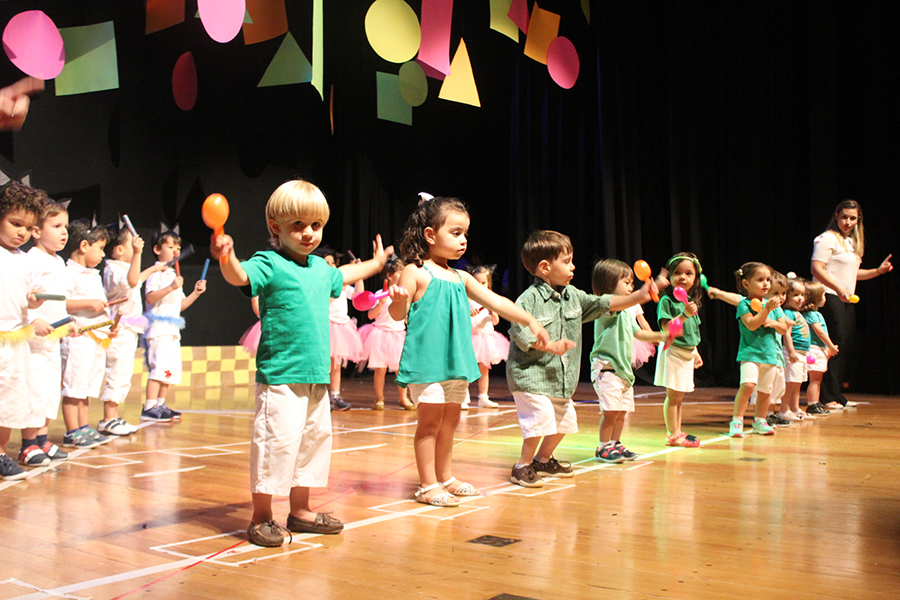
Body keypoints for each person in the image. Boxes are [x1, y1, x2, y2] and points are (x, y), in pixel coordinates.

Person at [211, 179, 393, 547]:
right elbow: (239, 276)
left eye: (316, 225)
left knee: (313, 443)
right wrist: (226, 257)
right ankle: (261, 516)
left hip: (316, 376)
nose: (309, 233)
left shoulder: (320, 268)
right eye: (298, 224)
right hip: (281, 376)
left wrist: (376, 264)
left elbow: (344, 275)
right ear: (275, 227)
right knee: (275, 444)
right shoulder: (269, 262)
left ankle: (300, 511)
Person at [389, 198, 555, 505]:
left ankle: (445, 477)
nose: (463, 240)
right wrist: (398, 300)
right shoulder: (415, 272)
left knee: (450, 422)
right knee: (429, 424)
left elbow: (497, 302)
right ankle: (427, 485)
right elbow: (398, 314)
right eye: (455, 233)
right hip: (427, 363)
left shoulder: (462, 277)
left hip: (456, 361)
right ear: (430, 235)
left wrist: (530, 320)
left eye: (465, 233)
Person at [505, 230, 655, 488]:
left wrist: (640, 296)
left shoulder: (573, 295)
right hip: (530, 376)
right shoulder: (528, 300)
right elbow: (521, 333)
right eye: (566, 261)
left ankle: (543, 460)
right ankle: (521, 466)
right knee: (540, 420)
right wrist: (550, 345)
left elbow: (604, 303)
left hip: (559, 379)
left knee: (565, 422)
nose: (573, 266)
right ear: (545, 267)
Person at [810, 200, 892, 408]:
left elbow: (853, 274)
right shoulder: (828, 238)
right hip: (829, 295)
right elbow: (816, 268)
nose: (848, 222)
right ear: (837, 215)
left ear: (858, 220)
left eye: (852, 218)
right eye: (844, 216)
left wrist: (878, 271)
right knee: (834, 343)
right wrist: (837, 288)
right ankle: (826, 396)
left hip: (845, 298)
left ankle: (836, 394)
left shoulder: (850, 242)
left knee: (844, 345)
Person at [589, 259, 666, 463]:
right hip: (607, 368)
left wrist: (662, 336)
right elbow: (633, 298)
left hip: (623, 371)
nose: (631, 287)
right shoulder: (606, 306)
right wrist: (654, 286)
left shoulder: (625, 312)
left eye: (632, 283)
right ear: (608, 284)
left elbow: (639, 333)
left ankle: (615, 443)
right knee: (611, 412)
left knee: (621, 412)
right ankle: (602, 447)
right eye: (626, 282)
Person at [0, 181, 51, 478]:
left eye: (29, 228)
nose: (22, 232)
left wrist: (34, 301)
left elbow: (28, 298)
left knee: (9, 401)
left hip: (15, 341)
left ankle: (0, 453)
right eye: (15, 223)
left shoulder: (25, 261)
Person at [100, 222, 165, 435]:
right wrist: (138, 253)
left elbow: (136, 280)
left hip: (127, 330)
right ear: (119, 250)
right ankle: (109, 419)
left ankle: (113, 417)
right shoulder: (113, 270)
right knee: (117, 373)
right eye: (131, 244)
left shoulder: (122, 269)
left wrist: (155, 268)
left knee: (123, 374)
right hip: (119, 329)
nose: (136, 246)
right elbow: (133, 280)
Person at [142, 226, 206, 422]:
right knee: (158, 369)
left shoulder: (172, 276)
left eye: (178, 247)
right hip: (158, 330)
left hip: (172, 331)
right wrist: (170, 287)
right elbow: (150, 297)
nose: (175, 251)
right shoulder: (156, 274)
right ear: (157, 250)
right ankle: (149, 406)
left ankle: (161, 404)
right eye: (170, 247)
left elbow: (180, 305)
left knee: (168, 370)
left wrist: (195, 293)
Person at [24, 199, 71, 464]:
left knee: (51, 390)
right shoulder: (32, 259)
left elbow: (60, 302)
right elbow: (25, 297)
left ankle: (42, 439)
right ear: (37, 231)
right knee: (36, 390)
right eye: (56, 226)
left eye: (65, 226)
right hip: (35, 340)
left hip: (53, 340)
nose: (64, 232)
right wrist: (33, 320)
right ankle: (28, 442)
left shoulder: (59, 261)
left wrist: (68, 323)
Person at [61, 220, 114, 449]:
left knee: (86, 388)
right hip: (78, 338)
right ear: (84, 246)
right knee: (74, 387)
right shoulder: (67, 273)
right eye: (100, 248)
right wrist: (87, 303)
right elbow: (61, 303)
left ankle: (84, 427)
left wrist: (109, 325)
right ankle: (72, 431)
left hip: (96, 338)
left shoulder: (93, 274)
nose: (103, 254)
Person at [728, 262, 787, 438]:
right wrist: (766, 310)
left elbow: (783, 328)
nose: (766, 284)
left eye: (768, 280)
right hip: (750, 353)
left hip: (770, 355)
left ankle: (760, 421)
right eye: (760, 280)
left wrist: (774, 322)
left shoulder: (773, 306)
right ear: (746, 283)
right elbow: (752, 324)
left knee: (765, 391)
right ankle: (737, 420)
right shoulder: (744, 304)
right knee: (748, 385)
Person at [654, 253, 705, 447]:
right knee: (673, 395)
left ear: (695, 278)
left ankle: (677, 431)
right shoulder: (667, 301)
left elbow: (692, 330)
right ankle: (672, 434)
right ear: (669, 277)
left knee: (680, 395)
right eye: (677, 273)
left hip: (686, 352)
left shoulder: (689, 300)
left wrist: (695, 351)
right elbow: (667, 329)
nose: (683, 277)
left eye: (688, 273)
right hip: (673, 351)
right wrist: (684, 315)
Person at [359, 259, 412, 410]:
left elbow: (406, 316)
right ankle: (379, 398)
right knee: (380, 369)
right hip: (380, 335)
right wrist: (381, 303)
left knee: (400, 370)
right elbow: (370, 315)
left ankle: (403, 398)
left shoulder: (405, 295)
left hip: (398, 335)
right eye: (399, 273)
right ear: (389, 275)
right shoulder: (379, 295)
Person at [318, 247, 363, 411]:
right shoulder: (321, 285)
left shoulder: (343, 285)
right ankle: (320, 397)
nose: (331, 266)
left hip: (340, 327)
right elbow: (323, 304)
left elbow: (359, 296)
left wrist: (359, 273)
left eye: (332, 263)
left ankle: (335, 396)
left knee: (336, 364)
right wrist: (337, 289)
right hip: (325, 326)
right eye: (326, 263)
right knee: (323, 364)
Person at [467, 265, 509, 409]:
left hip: (487, 338)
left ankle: (483, 397)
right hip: (473, 338)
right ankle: (463, 396)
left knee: (484, 369)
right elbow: (465, 320)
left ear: (488, 284)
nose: (480, 285)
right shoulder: (469, 299)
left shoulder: (490, 299)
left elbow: (495, 321)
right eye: (477, 282)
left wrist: (492, 312)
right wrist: (470, 314)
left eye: (483, 282)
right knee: (468, 368)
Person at [802, 280, 840, 416]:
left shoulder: (815, 314)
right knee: (815, 379)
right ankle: (812, 404)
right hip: (814, 349)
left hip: (818, 349)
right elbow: (820, 333)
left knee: (817, 379)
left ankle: (815, 403)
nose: (825, 298)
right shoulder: (812, 315)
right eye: (823, 295)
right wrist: (831, 346)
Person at [776, 275, 811, 422]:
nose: (800, 298)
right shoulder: (788, 313)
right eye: (796, 295)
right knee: (790, 382)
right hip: (793, 352)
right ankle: (784, 410)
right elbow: (787, 334)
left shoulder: (797, 313)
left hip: (801, 353)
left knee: (797, 383)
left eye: (802, 295)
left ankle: (795, 408)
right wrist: (791, 351)